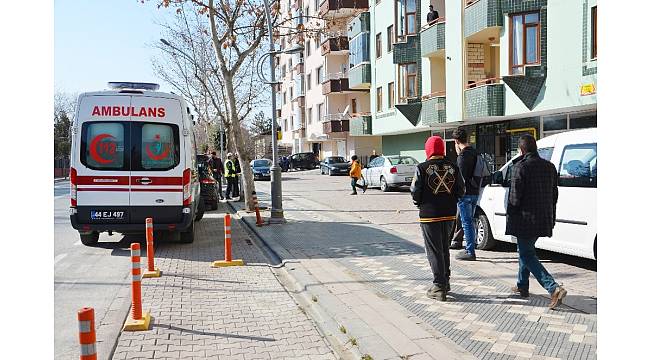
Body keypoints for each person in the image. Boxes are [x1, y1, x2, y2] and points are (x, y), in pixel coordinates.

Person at [507, 134, 567, 309]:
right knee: (525, 250)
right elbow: (554, 196)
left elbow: (514, 199)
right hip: (543, 218)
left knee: (526, 254)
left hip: (525, 220)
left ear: (522, 150)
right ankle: (522, 285)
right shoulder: (549, 167)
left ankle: (553, 288)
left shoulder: (520, 167)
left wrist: (510, 215)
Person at [411, 136, 464, 301]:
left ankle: (439, 286)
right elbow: (461, 190)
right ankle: (446, 281)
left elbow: (415, 192)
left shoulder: (422, 167)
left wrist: (420, 203)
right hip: (449, 214)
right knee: (444, 249)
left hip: (429, 216)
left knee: (434, 251)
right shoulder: (453, 167)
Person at [452, 128, 480, 261]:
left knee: (466, 223)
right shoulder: (475, 153)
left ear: (456, 141)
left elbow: (460, 179)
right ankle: (472, 247)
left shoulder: (462, 157)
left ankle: (470, 251)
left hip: (465, 194)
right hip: (475, 192)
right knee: (472, 221)